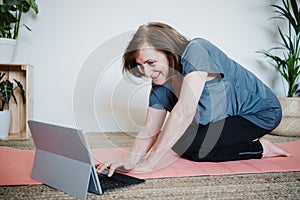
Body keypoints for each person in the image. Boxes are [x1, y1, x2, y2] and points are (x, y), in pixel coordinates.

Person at [97, 22, 290, 177]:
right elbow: (150, 127)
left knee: (197, 148)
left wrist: (149, 163)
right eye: (140, 65)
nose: (146, 72)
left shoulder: (197, 50)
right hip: (222, 118)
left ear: (170, 52)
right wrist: (131, 160)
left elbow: (185, 111)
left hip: (259, 113)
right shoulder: (161, 80)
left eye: (151, 62)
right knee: (179, 142)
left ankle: (262, 148)